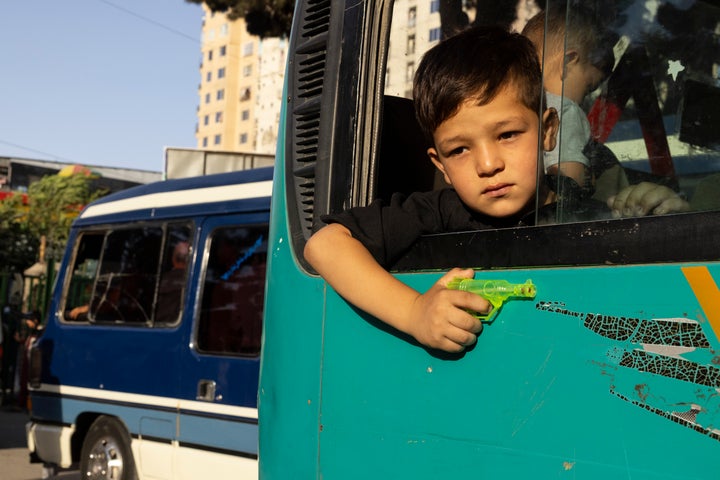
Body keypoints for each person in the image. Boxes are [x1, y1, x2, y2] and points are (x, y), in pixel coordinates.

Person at [305, 26, 562, 354]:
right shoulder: (438, 210)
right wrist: (414, 312)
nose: (487, 164)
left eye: (508, 134)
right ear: (441, 167)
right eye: (459, 151)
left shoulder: (581, 201)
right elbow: (324, 245)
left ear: (547, 131)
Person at [522, 5, 615, 190]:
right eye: (588, 87)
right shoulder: (564, 111)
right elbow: (568, 182)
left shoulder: (520, 107)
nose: (584, 99)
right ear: (567, 63)